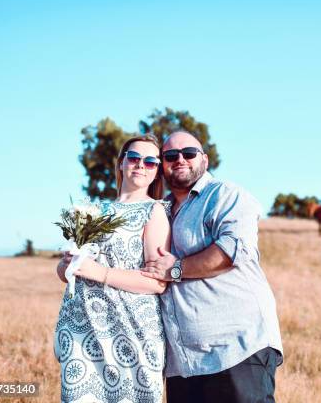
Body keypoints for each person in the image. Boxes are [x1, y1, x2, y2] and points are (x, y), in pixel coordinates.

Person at [141, 131, 283, 403]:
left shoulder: (225, 195)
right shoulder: (158, 211)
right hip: (183, 363)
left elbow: (232, 252)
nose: (179, 159)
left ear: (204, 159)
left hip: (235, 349)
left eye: (189, 153)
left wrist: (175, 269)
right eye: (170, 156)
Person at [54, 135, 170, 403]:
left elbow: (157, 282)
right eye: (134, 158)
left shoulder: (154, 211)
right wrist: (66, 265)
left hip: (130, 329)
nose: (141, 165)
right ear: (121, 164)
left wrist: (100, 273)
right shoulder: (93, 209)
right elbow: (67, 273)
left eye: (151, 161)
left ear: (156, 172)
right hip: (82, 327)